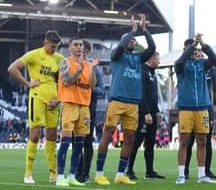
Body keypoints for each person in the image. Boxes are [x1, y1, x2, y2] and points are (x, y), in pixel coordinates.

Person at [94, 14, 156, 185]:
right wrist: (132, 31)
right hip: (117, 101)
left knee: (129, 138)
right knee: (107, 135)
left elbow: (152, 48)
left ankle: (120, 174)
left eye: (134, 41)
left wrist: (145, 31)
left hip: (133, 103)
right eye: (130, 40)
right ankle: (99, 173)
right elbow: (121, 46)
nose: (133, 42)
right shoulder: (116, 55)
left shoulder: (138, 58)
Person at [8, 30, 63, 184]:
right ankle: (28, 174)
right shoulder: (33, 55)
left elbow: (64, 83)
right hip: (37, 99)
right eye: (52, 46)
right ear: (45, 42)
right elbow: (12, 68)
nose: (54, 50)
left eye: (56, 47)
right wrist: (27, 83)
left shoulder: (60, 59)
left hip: (53, 102)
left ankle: (53, 174)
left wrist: (58, 100)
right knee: (35, 135)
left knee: (52, 136)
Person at [175, 33, 216, 184]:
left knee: (202, 141)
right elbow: (181, 60)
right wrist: (193, 46)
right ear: (185, 49)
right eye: (190, 49)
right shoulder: (180, 65)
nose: (194, 52)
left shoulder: (202, 64)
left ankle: (202, 174)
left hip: (202, 108)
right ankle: (181, 174)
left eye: (195, 49)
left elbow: (214, 59)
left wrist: (203, 45)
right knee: (184, 142)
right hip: (186, 108)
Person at [55, 38, 100, 187]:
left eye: (81, 45)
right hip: (69, 105)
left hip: (84, 107)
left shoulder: (88, 65)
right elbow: (67, 81)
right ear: (69, 48)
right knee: (65, 142)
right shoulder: (65, 62)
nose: (79, 47)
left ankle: (72, 176)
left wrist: (92, 69)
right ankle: (60, 176)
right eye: (75, 45)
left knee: (79, 145)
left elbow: (92, 85)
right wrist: (79, 71)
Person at [126, 51, 165, 180]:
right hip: (144, 113)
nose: (159, 61)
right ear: (152, 58)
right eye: (158, 59)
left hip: (153, 113)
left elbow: (152, 95)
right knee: (136, 142)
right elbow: (141, 94)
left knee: (150, 143)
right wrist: (146, 112)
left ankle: (149, 172)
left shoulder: (153, 73)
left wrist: (157, 111)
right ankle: (129, 170)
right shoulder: (142, 71)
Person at [183, 49, 216, 180]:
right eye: (196, 53)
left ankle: (206, 170)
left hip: (206, 107)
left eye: (201, 54)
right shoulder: (186, 68)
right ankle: (185, 171)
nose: (199, 55)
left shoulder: (208, 68)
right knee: (188, 140)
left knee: (206, 140)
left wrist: (212, 70)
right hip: (190, 108)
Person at [75, 40, 105, 183]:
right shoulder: (70, 66)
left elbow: (101, 90)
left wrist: (89, 90)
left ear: (86, 52)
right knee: (75, 142)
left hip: (89, 109)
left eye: (83, 50)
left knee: (86, 142)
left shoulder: (95, 70)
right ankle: (77, 172)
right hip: (73, 108)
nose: (81, 51)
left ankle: (85, 174)